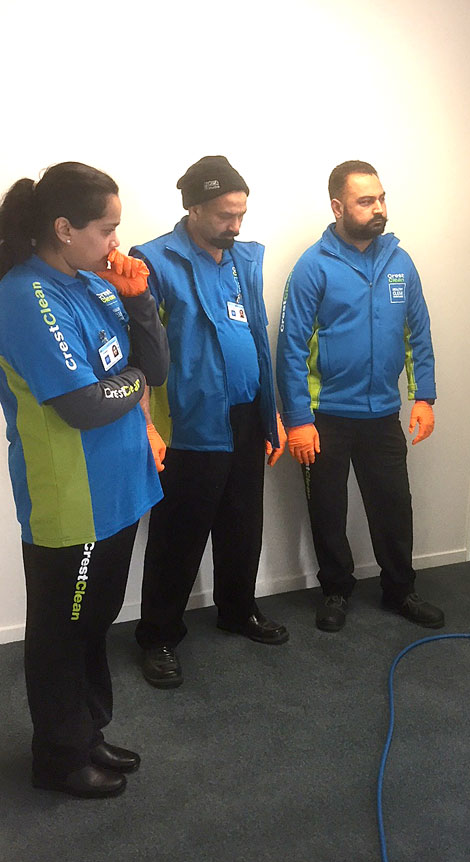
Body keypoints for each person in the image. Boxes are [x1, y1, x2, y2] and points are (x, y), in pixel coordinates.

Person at [0, 161, 168, 797]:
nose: (115, 245)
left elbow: (153, 366)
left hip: (120, 487)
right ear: (64, 228)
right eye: (107, 229)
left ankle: (88, 731)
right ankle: (59, 757)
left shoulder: (97, 285)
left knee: (93, 623)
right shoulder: (25, 295)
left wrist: (141, 301)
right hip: (71, 500)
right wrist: (129, 384)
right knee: (61, 631)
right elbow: (84, 404)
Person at [131, 156, 288, 689]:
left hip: (244, 417)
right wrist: (149, 424)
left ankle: (237, 610)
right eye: (225, 215)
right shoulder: (153, 261)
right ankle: (158, 636)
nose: (236, 226)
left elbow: (257, 339)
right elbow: (141, 352)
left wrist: (272, 416)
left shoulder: (242, 260)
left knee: (243, 526)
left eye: (242, 214)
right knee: (178, 536)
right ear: (193, 208)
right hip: (190, 424)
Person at [277, 160, 443, 633]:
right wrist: (297, 420)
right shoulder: (313, 266)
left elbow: (418, 333)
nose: (378, 209)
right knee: (327, 508)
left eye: (381, 198)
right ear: (338, 206)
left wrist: (424, 395)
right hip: (324, 416)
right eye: (365, 201)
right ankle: (335, 589)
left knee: (394, 504)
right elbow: (289, 347)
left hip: (381, 413)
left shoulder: (400, 262)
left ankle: (400, 590)